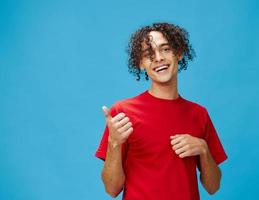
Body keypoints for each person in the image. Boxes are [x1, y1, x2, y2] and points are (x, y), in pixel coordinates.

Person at [95, 22, 227, 200]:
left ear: (178, 53)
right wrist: (114, 143)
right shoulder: (123, 112)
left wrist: (203, 149)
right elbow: (111, 189)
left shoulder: (199, 114)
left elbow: (213, 187)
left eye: (165, 49)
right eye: (149, 54)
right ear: (141, 63)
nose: (158, 58)